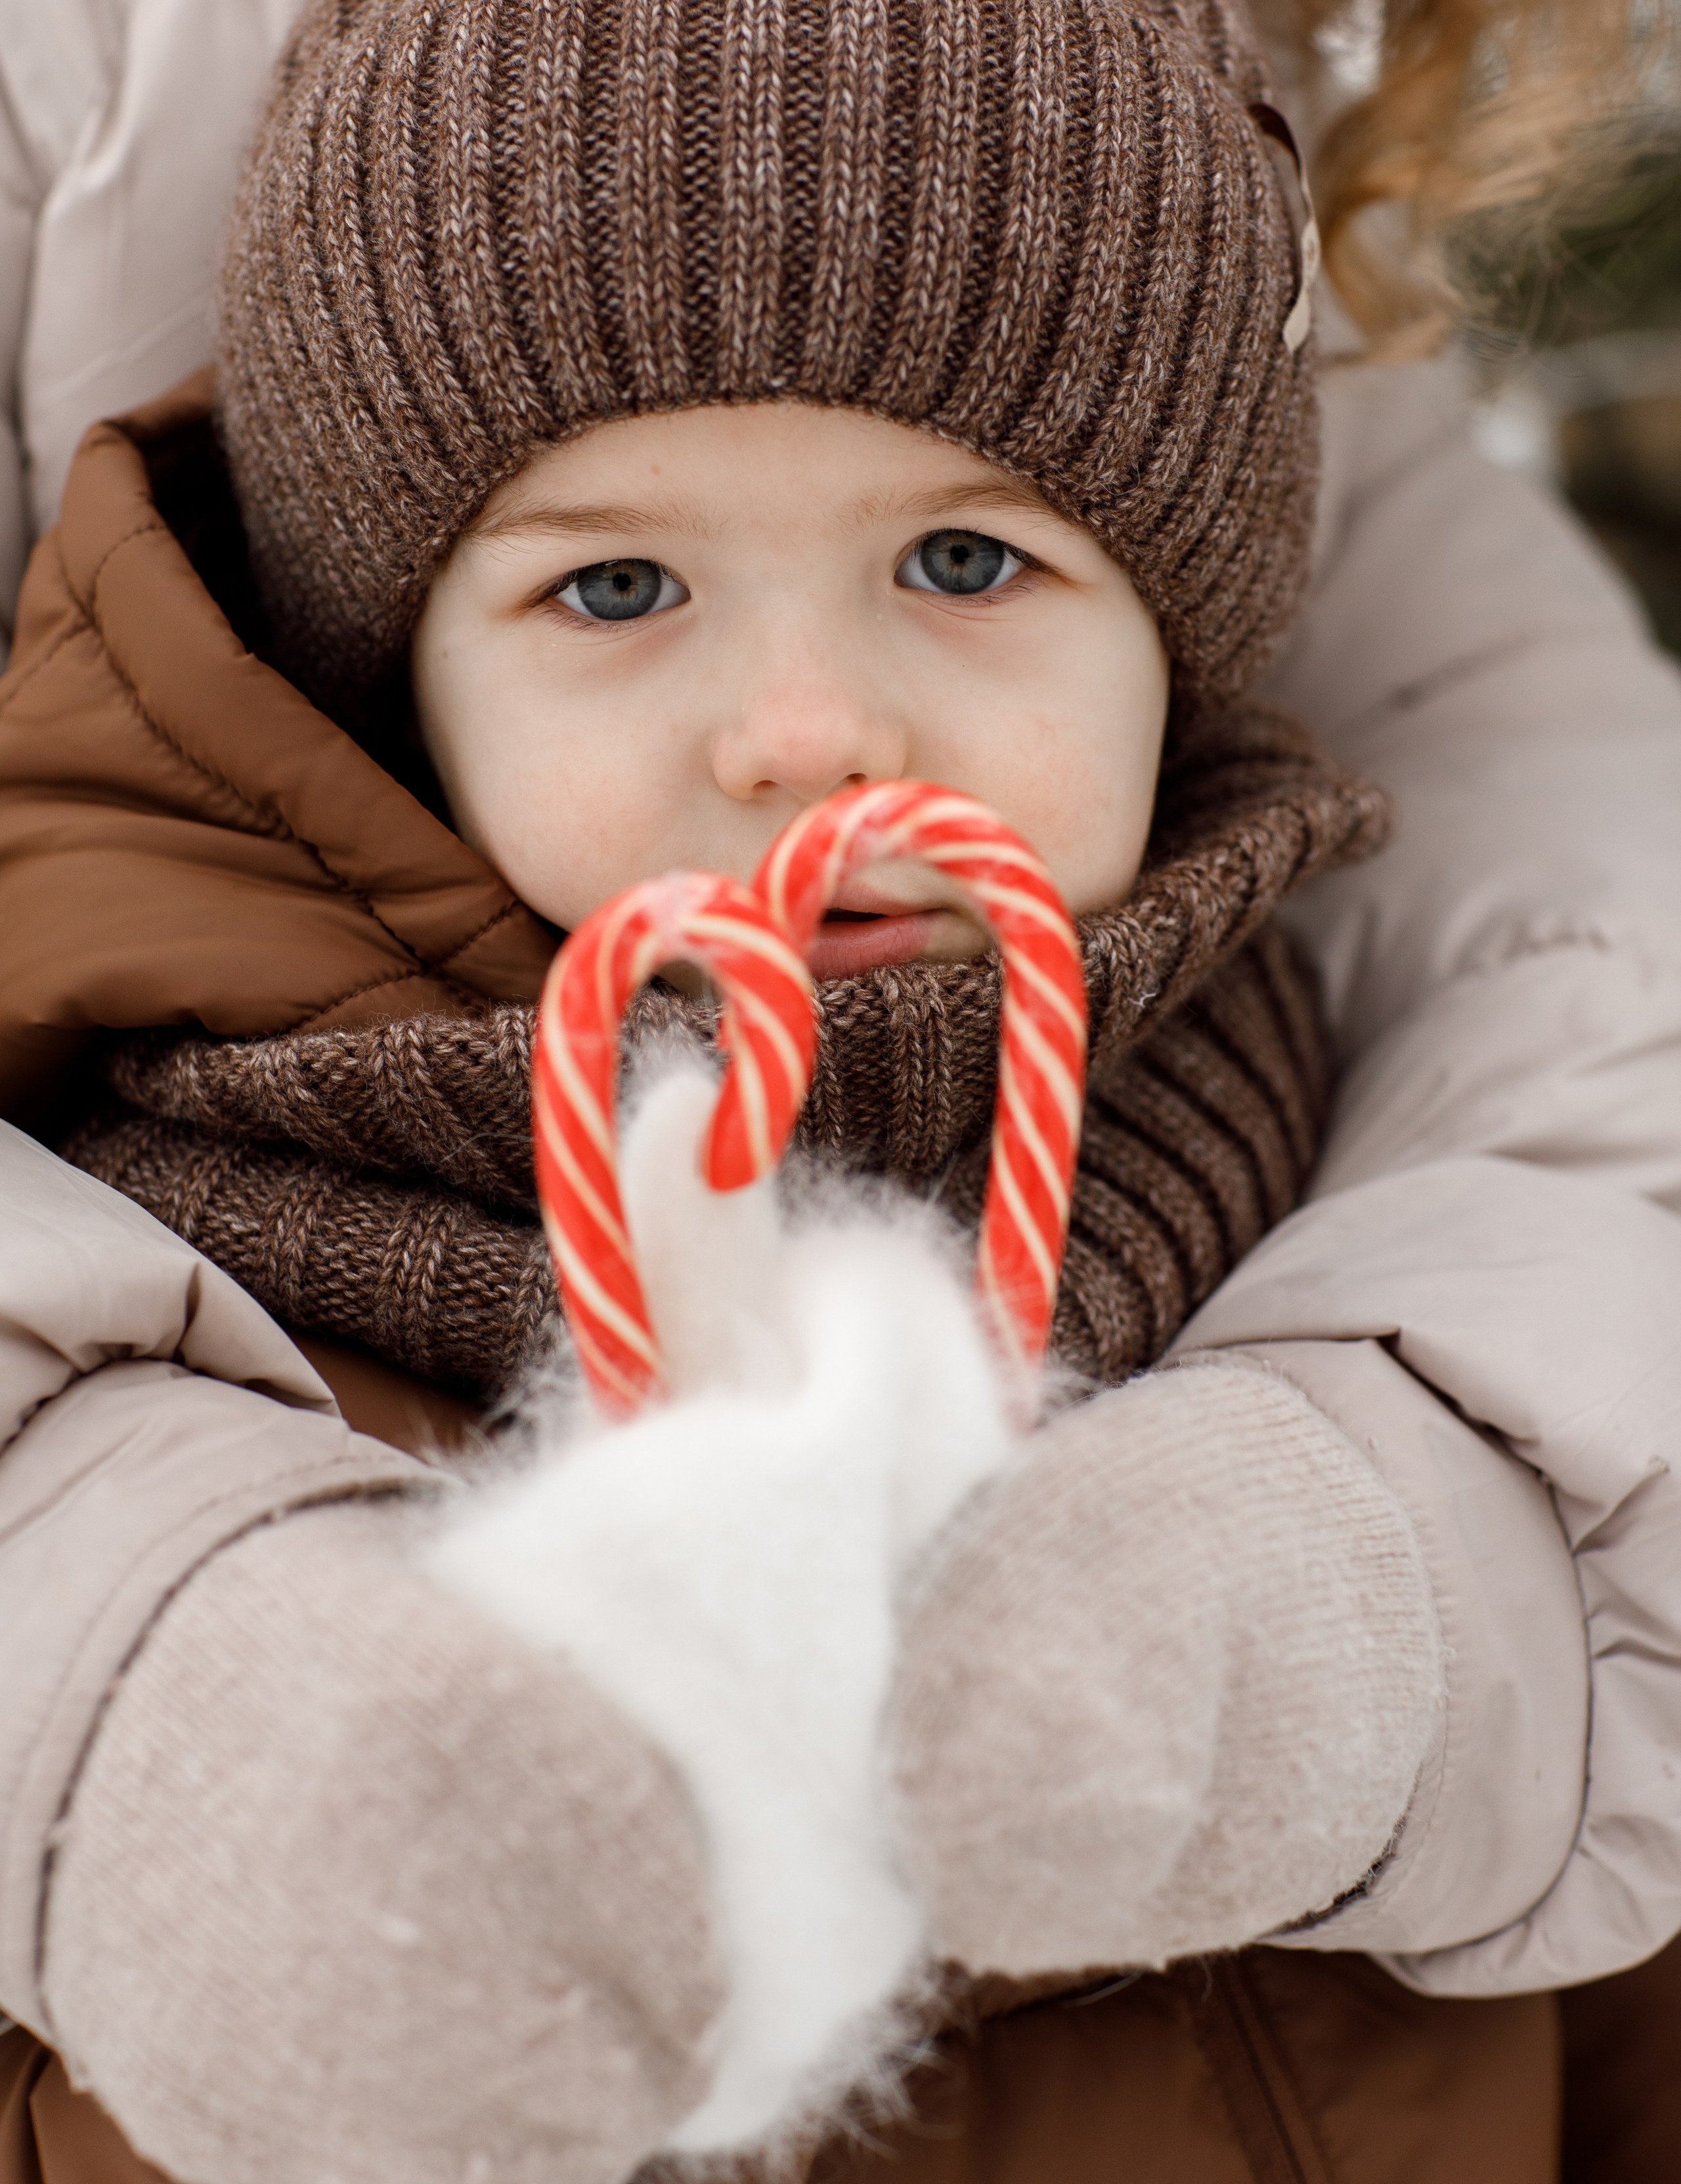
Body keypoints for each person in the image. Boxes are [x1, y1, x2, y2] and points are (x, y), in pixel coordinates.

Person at [1, 3, 1680, 2181]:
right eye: (617, 585)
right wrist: (156, 1700)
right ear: (392, 679)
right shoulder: (201, 1211)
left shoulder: (1328, 1122)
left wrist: (1368, 1584)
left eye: (965, 562)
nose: (808, 733)